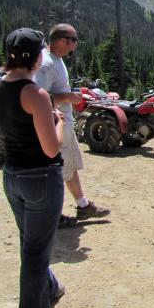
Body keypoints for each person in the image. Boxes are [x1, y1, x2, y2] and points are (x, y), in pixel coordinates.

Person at [0, 28, 66, 308]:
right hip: (41, 179)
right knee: (35, 254)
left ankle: (50, 288)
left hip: (11, 175)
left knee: (30, 244)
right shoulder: (36, 94)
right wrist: (58, 122)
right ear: (35, 57)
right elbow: (51, 148)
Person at [34, 23, 110, 228]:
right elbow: (38, 97)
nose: (75, 45)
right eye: (74, 40)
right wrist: (67, 97)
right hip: (54, 128)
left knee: (70, 166)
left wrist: (69, 98)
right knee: (56, 172)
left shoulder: (56, 60)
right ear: (61, 41)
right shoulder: (46, 63)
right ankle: (53, 216)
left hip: (64, 125)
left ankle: (82, 205)